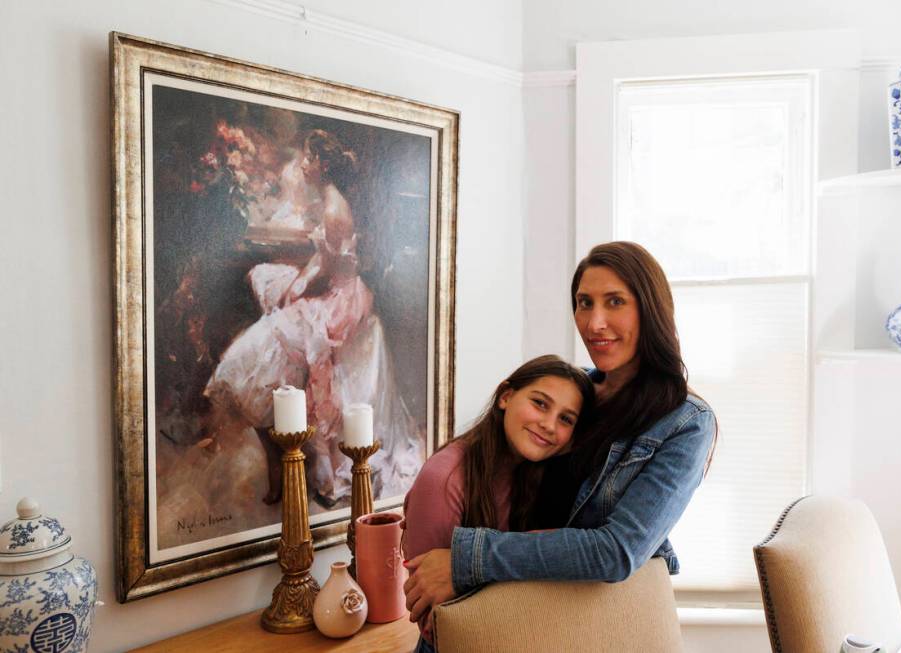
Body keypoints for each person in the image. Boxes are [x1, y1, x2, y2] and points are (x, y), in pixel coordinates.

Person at [402, 241, 718, 623]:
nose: (594, 322)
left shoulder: (686, 423)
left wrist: (468, 560)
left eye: (615, 301)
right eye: (584, 303)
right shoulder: (572, 393)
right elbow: (491, 464)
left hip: (597, 624)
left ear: (650, 310)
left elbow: (616, 552)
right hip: (512, 616)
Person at [205, 128, 423, 507]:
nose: (303, 165)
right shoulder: (328, 202)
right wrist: (301, 279)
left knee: (273, 332)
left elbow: (331, 268)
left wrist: (302, 285)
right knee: (269, 289)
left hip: (341, 297)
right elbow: (321, 260)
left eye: (308, 158)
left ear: (323, 164)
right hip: (330, 284)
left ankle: (291, 449)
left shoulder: (335, 208)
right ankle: (279, 448)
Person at [402, 355, 595, 652]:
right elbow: (434, 621)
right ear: (506, 396)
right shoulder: (443, 478)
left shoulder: (547, 475)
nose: (548, 425)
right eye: (540, 403)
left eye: (566, 419)